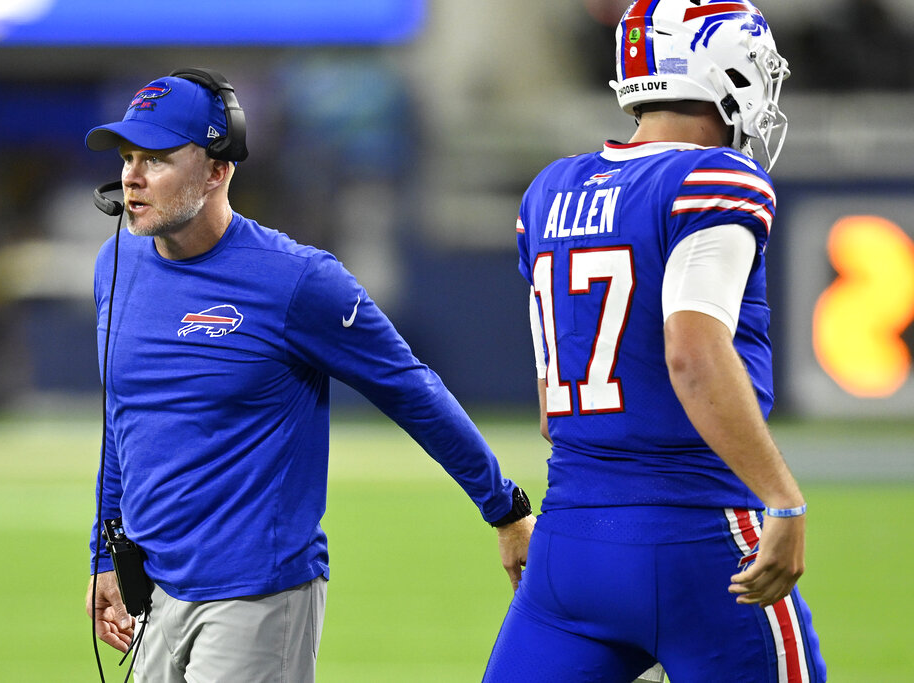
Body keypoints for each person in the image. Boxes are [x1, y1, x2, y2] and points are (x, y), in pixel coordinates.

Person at [81, 69, 536, 682]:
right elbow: (122, 422)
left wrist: (504, 507)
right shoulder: (116, 263)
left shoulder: (298, 281)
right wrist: (103, 556)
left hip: (257, 596)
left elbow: (410, 389)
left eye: (157, 158)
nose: (131, 176)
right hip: (155, 592)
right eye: (128, 157)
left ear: (218, 169)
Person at [484, 2, 828, 681]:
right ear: (718, 68)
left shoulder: (550, 191)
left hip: (571, 544)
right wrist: (783, 498)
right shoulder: (713, 179)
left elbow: (552, 396)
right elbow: (693, 352)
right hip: (700, 539)